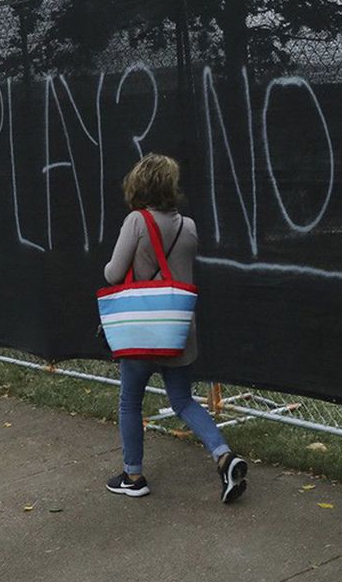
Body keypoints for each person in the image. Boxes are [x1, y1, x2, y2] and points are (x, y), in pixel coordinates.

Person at [103, 153, 248, 503]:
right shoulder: (189, 226)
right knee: (182, 400)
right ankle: (223, 455)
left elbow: (112, 273)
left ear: (139, 184)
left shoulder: (136, 222)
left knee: (129, 403)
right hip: (178, 329)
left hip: (140, 329)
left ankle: (133, 475)